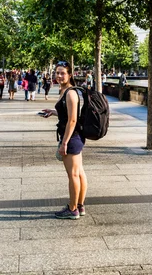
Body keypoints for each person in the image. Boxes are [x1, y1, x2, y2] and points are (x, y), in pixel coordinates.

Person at [41, 61, 87, 220]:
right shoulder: (66, 91)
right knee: (79, 172)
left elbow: (72, 120)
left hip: (72, 137)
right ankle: (79, 206)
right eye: (57, 73)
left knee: (73, 174)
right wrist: (53, 112)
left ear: (69, 75)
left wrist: (65, 143)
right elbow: (66, 114)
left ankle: (72, 209)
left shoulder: (70, 93)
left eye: (62, 73)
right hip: (75, 136)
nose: (59, 76)